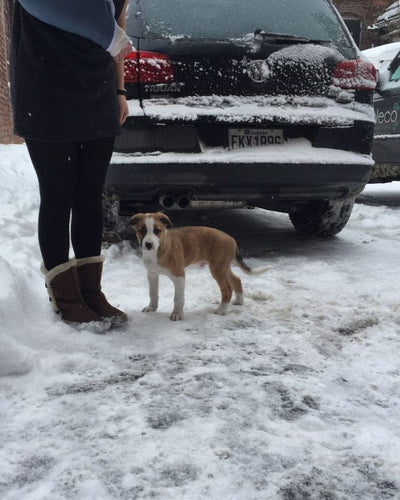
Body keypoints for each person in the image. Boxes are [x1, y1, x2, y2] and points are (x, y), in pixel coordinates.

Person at [10, 0, 132, 327]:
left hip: (98, 89)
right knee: (58, 193)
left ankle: (91, 292)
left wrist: (119, 90)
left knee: (90, 194)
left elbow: (116, 25)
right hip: (45, 90)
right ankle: (65, 298)